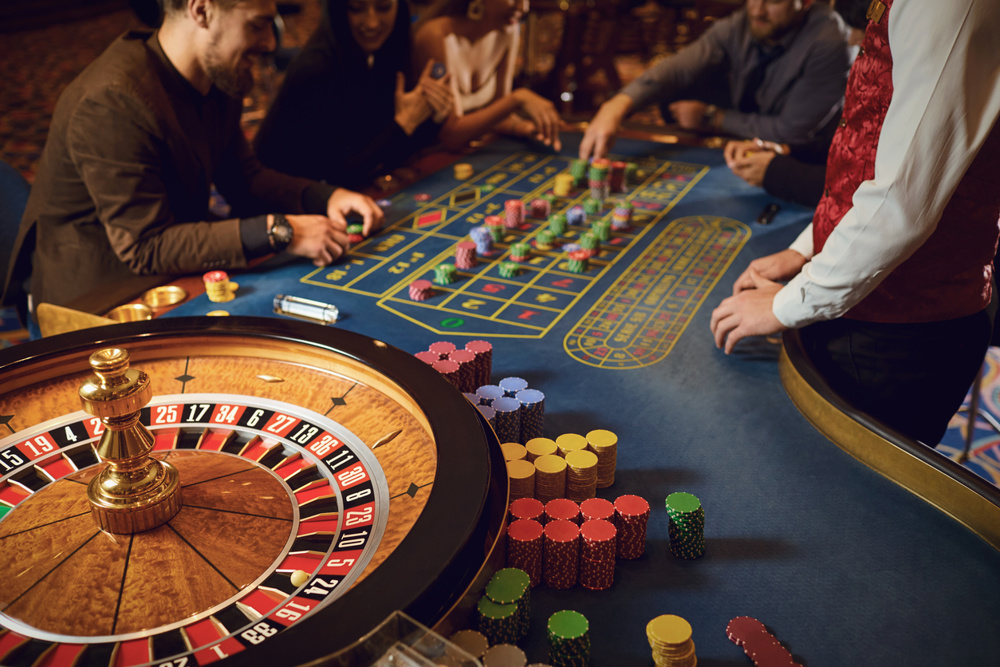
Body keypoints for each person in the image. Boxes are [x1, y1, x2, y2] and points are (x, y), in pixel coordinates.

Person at [709, 0, 1000, 446]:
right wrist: (806, 249)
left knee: (841, 506)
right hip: (873, 317)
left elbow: (903, 199)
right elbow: (870, 155)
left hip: (900, 335)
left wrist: (784, 305)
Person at [1, 0, 384, 323]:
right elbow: (145, 246)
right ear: (201, 10)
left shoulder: (219, 76)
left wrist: (326, 197)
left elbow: (244, 179)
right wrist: (284, 230)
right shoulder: (113, 100)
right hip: (95, 303)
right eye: (258, 25)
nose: (270, 43)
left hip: (170, 267)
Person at [579, 0, 853, 161]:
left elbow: (792, 132)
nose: (757, 11)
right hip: (748, 142)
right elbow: (679, 68)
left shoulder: (828, 42)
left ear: (805, 2)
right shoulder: (744, 22)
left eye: (773, 1)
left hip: (804, 162)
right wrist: (617, 104)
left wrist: (714, 118)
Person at [253, 0, 454, 190]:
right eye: (357, 8)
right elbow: (336, 173)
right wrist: (403, 125)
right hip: (284, 204)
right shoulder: (316, 69)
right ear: (338, 10)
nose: (372, 22)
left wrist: (432, 116)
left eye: (383, 7)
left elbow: (388, 153)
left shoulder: (381, 57)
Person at [722, 0, 869, 207]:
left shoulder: (828, 40)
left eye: (861, 28)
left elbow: (865, 191)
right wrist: (785, 152)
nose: (853, 40)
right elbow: (844, 147)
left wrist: (776, 172)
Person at [413, 0, 563, 151]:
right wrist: (518, 98)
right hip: (428, 156)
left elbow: (499, 115)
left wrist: (523, 127)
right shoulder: (435, 35)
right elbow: (451, 135)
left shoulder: (507, 30)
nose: (523, 7)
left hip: (472, 151)